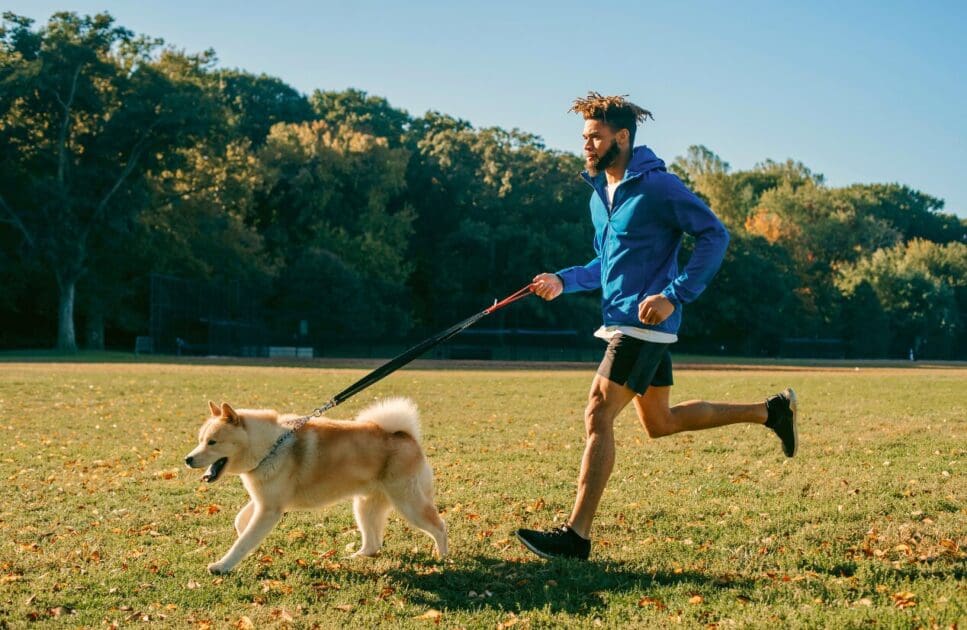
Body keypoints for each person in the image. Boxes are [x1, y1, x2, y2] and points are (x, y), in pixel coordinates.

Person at [515, 93, 798, 561]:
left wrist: (675, 294)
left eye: (595, 137)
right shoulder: (600, 195)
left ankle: (576, 536)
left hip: (641, 325)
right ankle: (771, 412)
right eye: (584, 137)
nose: (586, 145)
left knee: (598, 414)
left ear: (621, 138)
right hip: (624, 321)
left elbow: (714, 234)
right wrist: (562, 281)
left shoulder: (658, 187)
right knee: (659, 422)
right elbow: (605, 264)